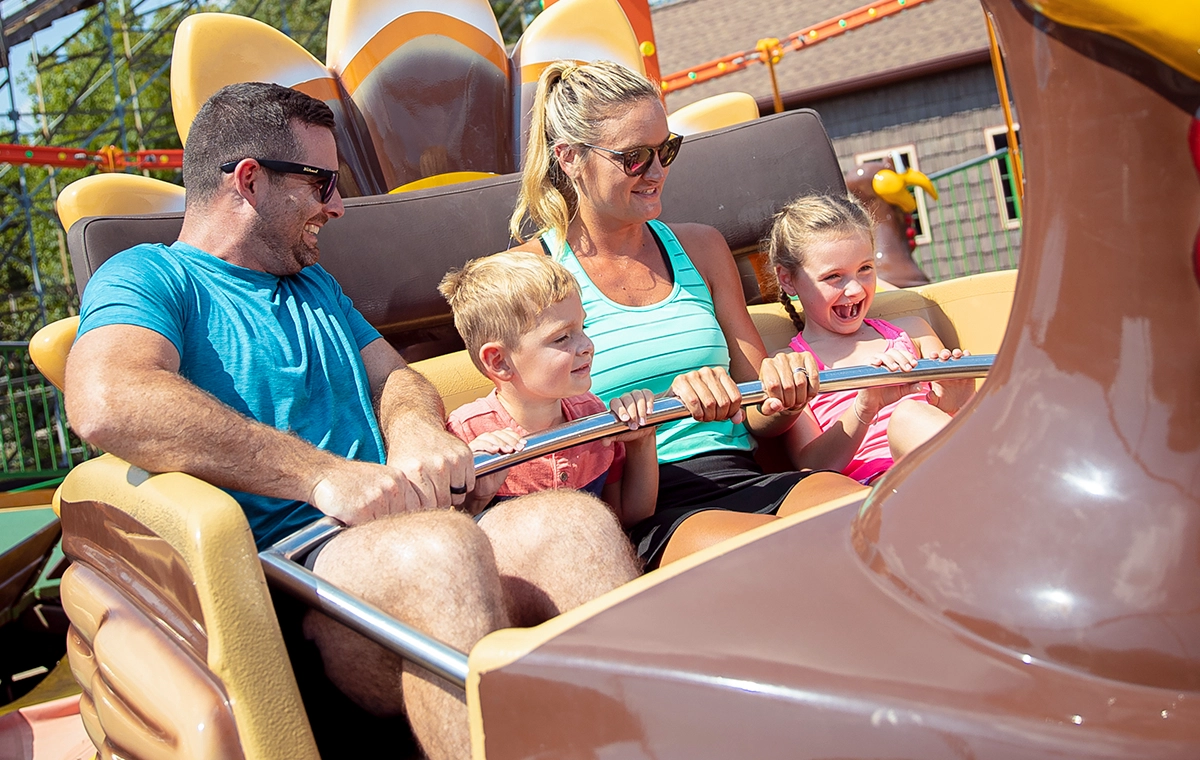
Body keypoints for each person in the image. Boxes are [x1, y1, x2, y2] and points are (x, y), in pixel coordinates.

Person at [64, 82, 639, 760]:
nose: (337, 205)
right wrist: (322, 476)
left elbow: (397, 377)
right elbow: (108, 397)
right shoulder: (152, 278)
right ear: (249, 180)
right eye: (321, 183)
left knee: (575, 524)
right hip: (293, 575)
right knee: (439, 554)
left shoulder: (315, 285)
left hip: (413, 529)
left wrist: (417, 432)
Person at [506, 60, 868, 569]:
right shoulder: (527, 274)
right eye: (634, 158)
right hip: (641, 506)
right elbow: (522, 419)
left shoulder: (701, 248)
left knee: (864, 519)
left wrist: (785, 389)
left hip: (744, 474)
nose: (657, 173)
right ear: (569, 157)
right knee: (776, 559)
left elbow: (760, 414)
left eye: (666, 150)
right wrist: (649, 415)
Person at [439, 251, 658, 533]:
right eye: (562, 337)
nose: (587, 344)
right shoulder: (465, 435)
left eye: (583, 327)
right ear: (499, 361)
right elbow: (450, 538)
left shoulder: (591, 413)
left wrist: (641, 440)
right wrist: (476, 495)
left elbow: (628, 517)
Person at [766, 193, 975, 483]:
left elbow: (968, 423)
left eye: (865, 269)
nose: (855, 290)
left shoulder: (913, 332)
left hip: (951, 468)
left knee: (913, 416)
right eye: (833, 277)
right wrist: (865, 407)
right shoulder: (792, 364)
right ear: (788, 279)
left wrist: (957, 404)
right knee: (907, 416)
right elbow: (813, 467)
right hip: (877, 486)